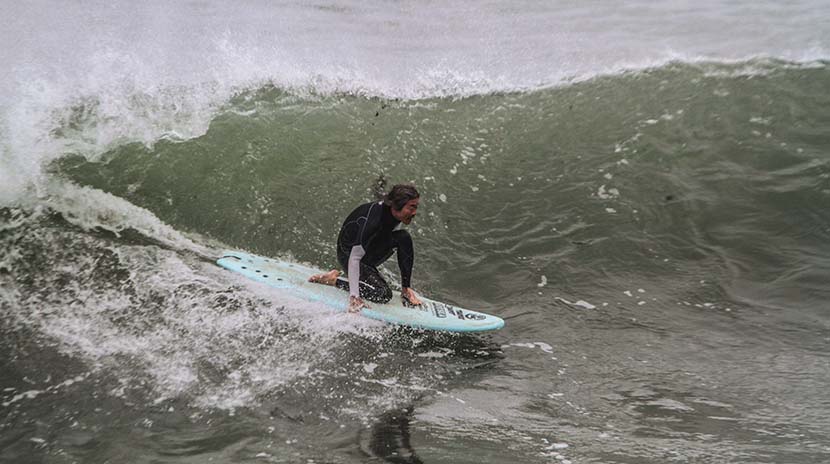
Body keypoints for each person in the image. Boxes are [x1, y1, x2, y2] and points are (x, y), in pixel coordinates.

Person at [309, 184, 423, 313]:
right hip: (348, 255)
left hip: (369, 249)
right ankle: (333, 280)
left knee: (403, 237)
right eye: (412, 207)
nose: (415, 212)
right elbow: (354, 258)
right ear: (396, 205)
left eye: (416, 207)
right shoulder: (372, 220)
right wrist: (355, 297)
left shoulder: (394, 211)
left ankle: (406, 289)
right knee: (383, 294)